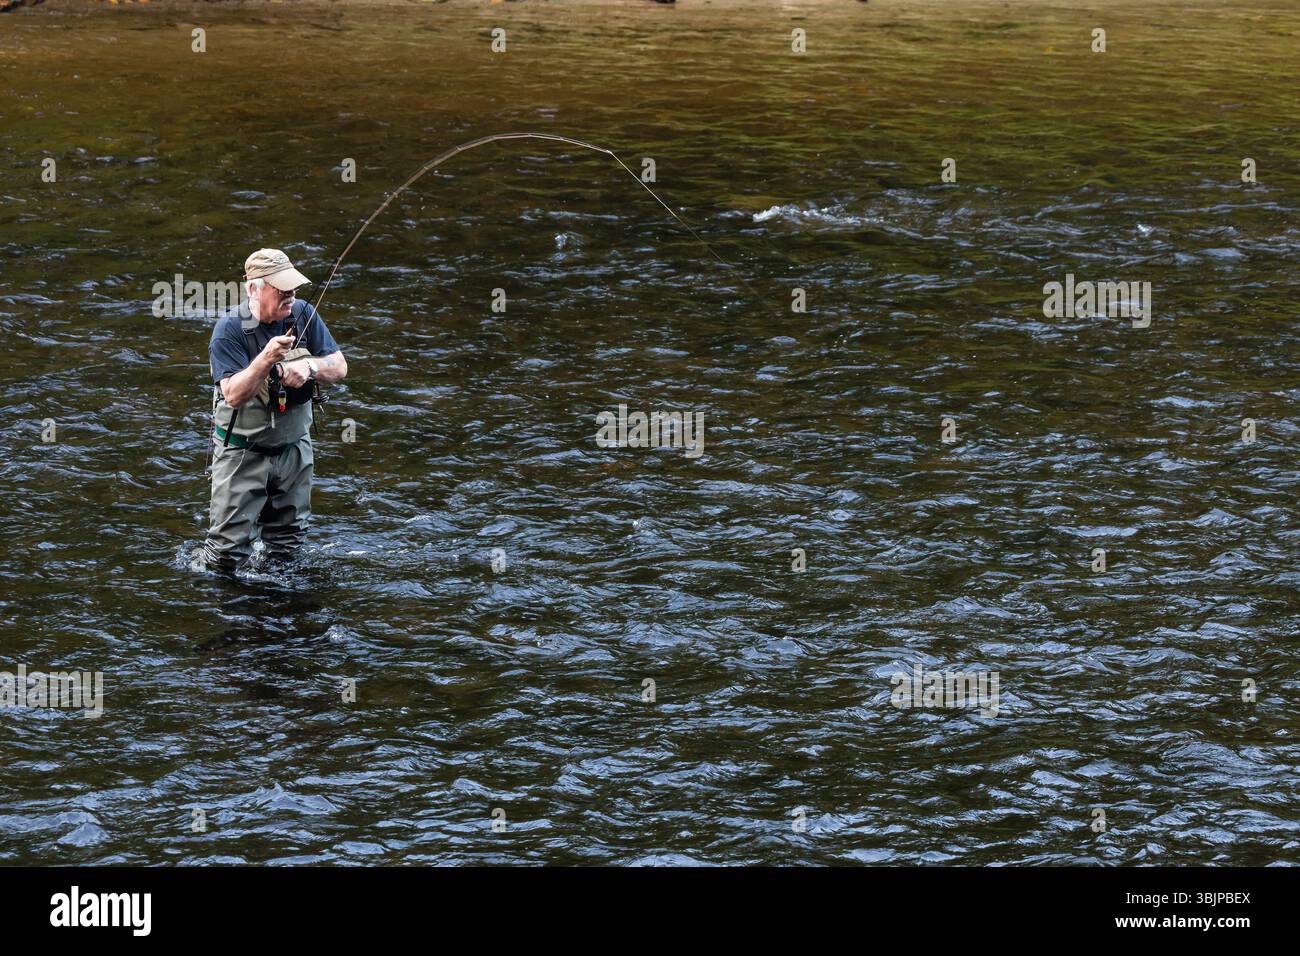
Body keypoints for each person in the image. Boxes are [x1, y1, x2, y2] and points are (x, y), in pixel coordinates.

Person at [194, 248, 348, 573]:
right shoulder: (230, 330)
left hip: (294, 452)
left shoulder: (303, 313)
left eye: (292, 286)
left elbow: (340, 367)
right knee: (224, 556)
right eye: (282, 288)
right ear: (254, 289)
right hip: (242, 455)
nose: (291, 294)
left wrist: (309, 366)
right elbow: (233, 395)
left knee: (288, 548)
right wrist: (265, 360)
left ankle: (278, 614)